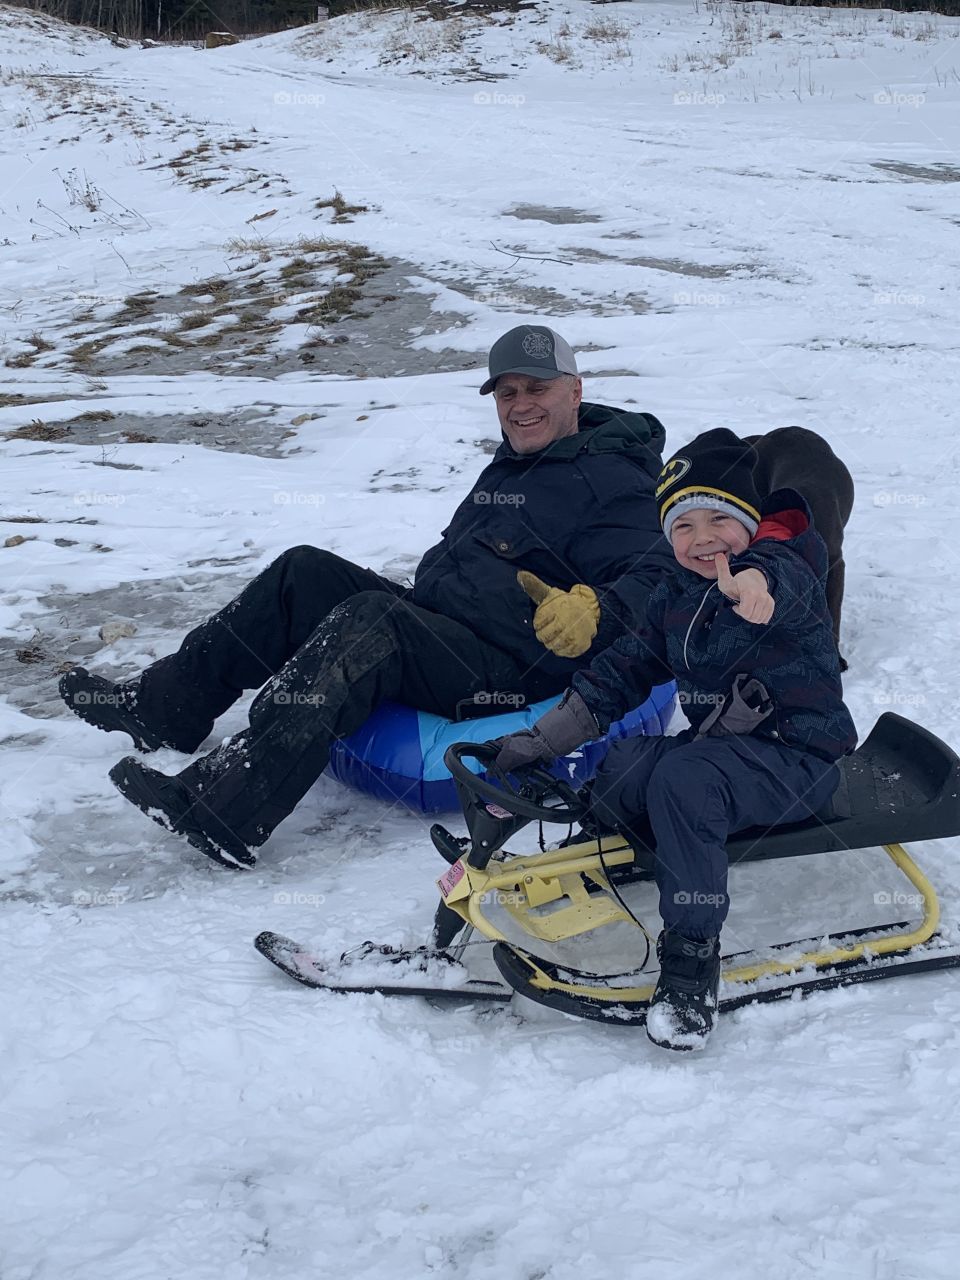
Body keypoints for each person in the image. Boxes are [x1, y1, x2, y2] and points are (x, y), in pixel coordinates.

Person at [59, 324, 675, 868]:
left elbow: (659, 576)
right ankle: (162, 708)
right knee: (304, 570)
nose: (520, 405)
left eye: (537, 388)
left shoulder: (616, 478)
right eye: (506, 393)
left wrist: (597, 609)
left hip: (511, 665)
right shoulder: (526, 458)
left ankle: (225, 808)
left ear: (575, 390)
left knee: (371, 620)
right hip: (447, 623)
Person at [491, 428, 857, 1053]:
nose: (702, 538)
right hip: (728, 751)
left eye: (720, 519)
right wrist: (540, 740)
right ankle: (604, 854)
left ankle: (691, 961)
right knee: (627, 763)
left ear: (751, 522)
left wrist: (754, 585)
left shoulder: (785, 565)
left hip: (802, 761)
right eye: (683, 525)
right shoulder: (675, 594)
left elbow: (779, 579)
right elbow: (621, 673)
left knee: (684, 780)